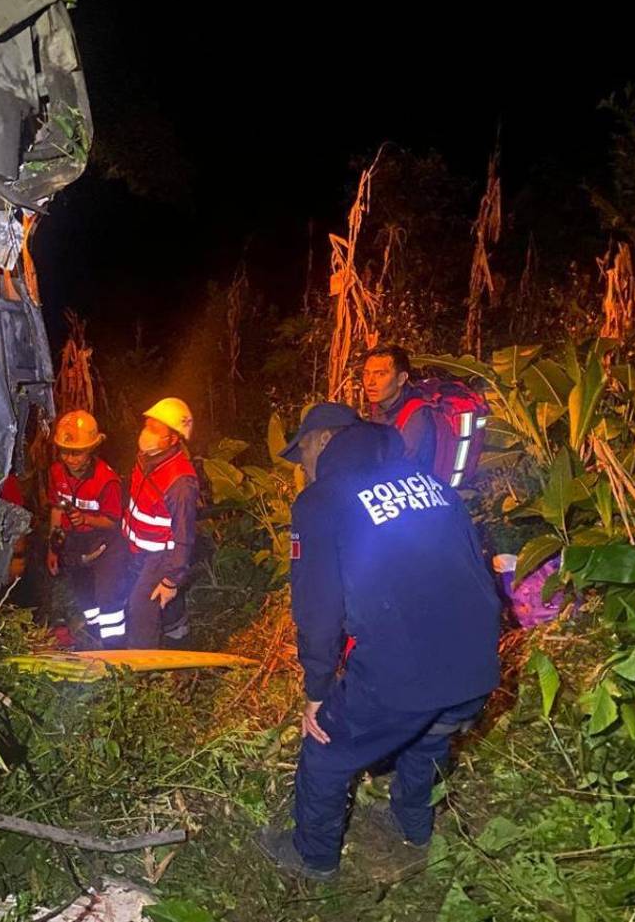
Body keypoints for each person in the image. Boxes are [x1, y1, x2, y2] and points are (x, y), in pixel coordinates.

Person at [255, 402, 501, 880]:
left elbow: (317, 606)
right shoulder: (430, 484)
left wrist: (318, 690)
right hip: (476, 665)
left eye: (302, 451)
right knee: (429, 738)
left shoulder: (322, 501)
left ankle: (314, 856)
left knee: (326, 750)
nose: (302, 467)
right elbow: (471, 565)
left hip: (406, 668)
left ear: (323, 439)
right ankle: (415, 826)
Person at [121, 397, 199, 648]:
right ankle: (179, 635)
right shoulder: (146, 459)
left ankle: (142, 669)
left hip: (161, 557)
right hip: (139, 549)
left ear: (173, 439)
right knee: (160, 603)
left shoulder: (180, 482)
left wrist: (171, 579)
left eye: (156, 428)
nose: (147, 432)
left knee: (140, 608)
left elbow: (184, 536)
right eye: (148, 425)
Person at [44, 411, 126, 645]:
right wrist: (53, 549)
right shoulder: (56, 472)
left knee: (107, 598)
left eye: (77, 452)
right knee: (83, 594)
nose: (70, 458)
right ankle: (94, 635)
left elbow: (113, 521)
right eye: (64, 451)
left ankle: (116, 651)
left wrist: (87, 519)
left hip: (104, 544)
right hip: (73, 543)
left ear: (91, 450)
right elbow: (56, 510)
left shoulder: (106, 480)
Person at [362, 344, 437, 471]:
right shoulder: (378, 406)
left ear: (401, 379)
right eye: (366, 374)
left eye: (380, 374)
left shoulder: (417, 414)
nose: (370, 382)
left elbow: (402, 466)